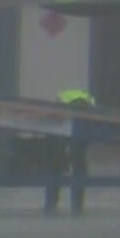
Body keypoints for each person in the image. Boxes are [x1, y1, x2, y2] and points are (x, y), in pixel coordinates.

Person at [43, 88, 94, 216]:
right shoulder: (88, 99)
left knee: (57, 164)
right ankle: (77, 204)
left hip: (63, 126)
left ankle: (51, 202)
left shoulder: (65, 96)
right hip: (76, 127)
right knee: (78, 164)